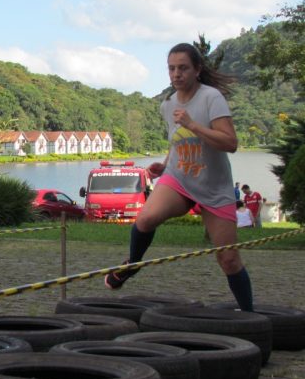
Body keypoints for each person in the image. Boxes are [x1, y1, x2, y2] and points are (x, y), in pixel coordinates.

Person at [104, 42, 254, 312]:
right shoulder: (168, 104)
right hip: (179, 179)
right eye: (171, 69)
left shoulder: (211, 98)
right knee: (145, 218)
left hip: (214, 188)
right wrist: (164, 164)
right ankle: (132, 265)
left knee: (229, 260)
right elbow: (177, 142)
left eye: (183, 68)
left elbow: (230, 143)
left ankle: (251, 319)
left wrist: (193, 124)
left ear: (197, 70)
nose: (176, 74)